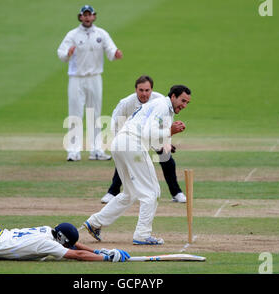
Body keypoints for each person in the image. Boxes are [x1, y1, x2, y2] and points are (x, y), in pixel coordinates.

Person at [0, 177, 130, 262]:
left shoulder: (47, 230)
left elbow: (74, 243)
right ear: (62, 241)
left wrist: (98, 250)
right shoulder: (48, 245)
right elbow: (76, 254)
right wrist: (107, 258)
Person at [83, 85, 192, 245]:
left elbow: (150, 133)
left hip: (121, 144)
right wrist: (170, 131)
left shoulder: (160, 106)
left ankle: (95, 223)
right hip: (132, 144)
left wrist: (163, 144)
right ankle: (142, 235)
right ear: (173, 96)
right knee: (151, 192)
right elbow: (148, 133)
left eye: (187, 103)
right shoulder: (162, 106)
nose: (184, 105)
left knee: (130, 193)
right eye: (182, 101)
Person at [101, 75, 187, 204]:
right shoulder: (126, 103)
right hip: (130, 134)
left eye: (147, 90)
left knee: (166, 158)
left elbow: (165, 123)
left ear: (152, 90)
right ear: (136, 89)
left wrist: (165, 144)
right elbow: (116, 123)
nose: (144, 94)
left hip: (152, 134)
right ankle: (112, 192)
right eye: (141, 90)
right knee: (126, 159)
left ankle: (176, 193)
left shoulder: (160, 100)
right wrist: (120, 143)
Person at [57, 5, 123, 162]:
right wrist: (68, 53)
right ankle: (73, 151)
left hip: (95, 77)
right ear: (80, 17)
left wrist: (115, 53)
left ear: (94, 16)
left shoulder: (101, 34)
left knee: (95, 114)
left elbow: (111, 49)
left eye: (90, 15)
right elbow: (61, 52)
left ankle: (97, 150)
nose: (87, 18)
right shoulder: (72, 35)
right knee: (75, 114)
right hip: (76, 77)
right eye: (84, 15)